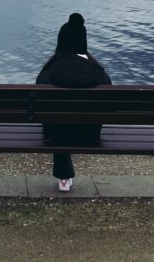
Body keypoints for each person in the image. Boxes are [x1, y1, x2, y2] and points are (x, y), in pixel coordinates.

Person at [36, 13, 112, 193]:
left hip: (54, 136)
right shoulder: (99, 74)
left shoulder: (47, 74)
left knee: (57, 121)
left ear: (60, 42)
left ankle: (64, 177)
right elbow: (109, 106)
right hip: (90, 135)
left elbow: (40, 108)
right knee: (64, 119)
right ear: (83, 43)